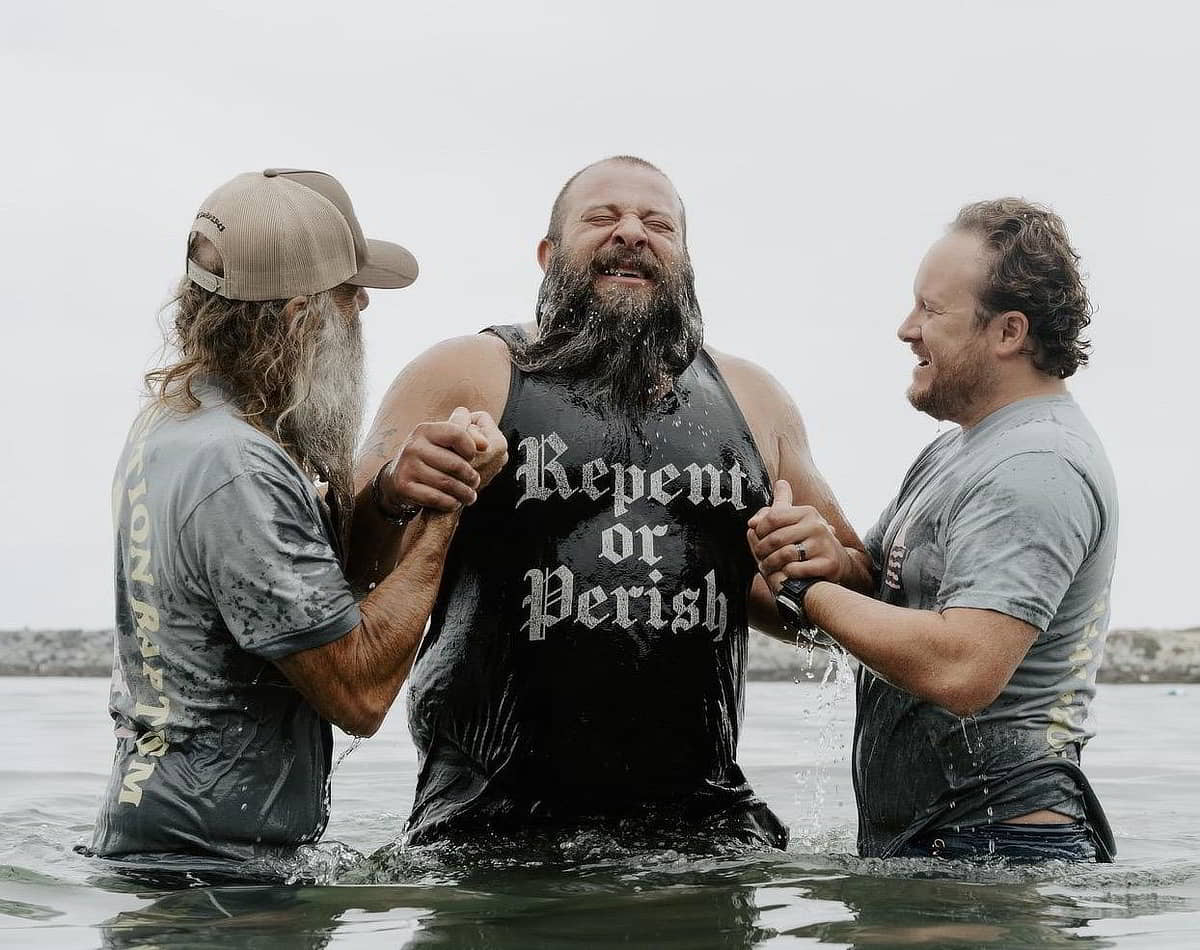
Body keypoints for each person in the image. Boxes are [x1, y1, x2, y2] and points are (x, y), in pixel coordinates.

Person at [349, 155, 874, 850]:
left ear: (683, 261)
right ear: (547, 255)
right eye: (601, 217)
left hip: (703, 835)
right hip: (488, 834)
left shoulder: (755, 399)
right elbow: (348, 562)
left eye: (658, 223)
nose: (631, 232)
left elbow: (854, 604)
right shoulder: (469, 371)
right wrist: (391, 492)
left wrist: (820, 567)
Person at [87, 168, 507, 873]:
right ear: (297, 321)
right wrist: (449, 504)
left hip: (168, 844)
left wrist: (391, 499)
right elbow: (358, 691)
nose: (364, 310)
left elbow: (302, 596)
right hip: (217, 877)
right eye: (350, 298)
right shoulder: (238, 469)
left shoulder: (176, 425)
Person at [748, 199, 1118, 862]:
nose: (905, 329)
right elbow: (875, 598)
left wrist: (807, 593)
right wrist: (825, 563)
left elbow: (964, 666)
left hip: (1001, 849)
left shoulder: (1036, 466)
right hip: (944, 844)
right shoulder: (958, 451)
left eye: (930, 309)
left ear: (1007, 332)